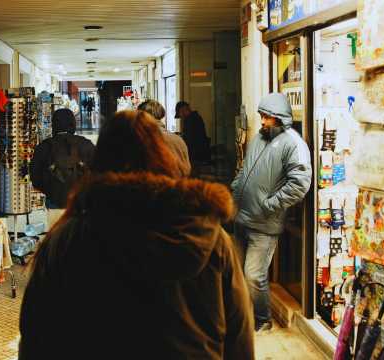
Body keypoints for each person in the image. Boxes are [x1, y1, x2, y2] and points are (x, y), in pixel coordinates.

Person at [19, 110, 254, 360]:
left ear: (100, 161)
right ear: (165, 156)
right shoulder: (206, 234)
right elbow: (239, 335)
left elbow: (37, 335)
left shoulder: (68, 238)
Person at [230, 93, 312, 332]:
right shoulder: (258, 138)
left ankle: (262, 320)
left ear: (281, 118)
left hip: (264, 224)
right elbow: (245, 169)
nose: (263, 121)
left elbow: (299, 184)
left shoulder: (293, 144)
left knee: (254, 276)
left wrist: (270, 205)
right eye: (262, 116)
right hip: (241, 217)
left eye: (268, 117)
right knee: (237, 275)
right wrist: (235, 191)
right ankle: (244, 316)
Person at [29, 108, 95, 228]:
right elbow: (98, 172)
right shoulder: (86, 145)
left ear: (54, 124)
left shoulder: (44, 147)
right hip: (80, 203)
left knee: (56, 236)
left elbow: (35, 177)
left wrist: (49, 188)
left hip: (54, 200)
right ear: (73, 124)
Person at [137, 99, 191, 177]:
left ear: (143, 116)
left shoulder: (142, 140)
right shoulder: (178, 140)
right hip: (176, 185)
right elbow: (186, 170)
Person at [176, 101, 211, 166]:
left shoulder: (190, 120)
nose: (181, 117)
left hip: (196, 155)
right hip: (201, 153)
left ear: (182, 110)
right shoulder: (196, 117)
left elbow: (189, 140)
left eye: (180, 113)